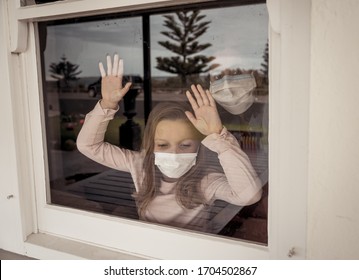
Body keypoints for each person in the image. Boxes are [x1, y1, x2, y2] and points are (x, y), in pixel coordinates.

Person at [77, 54, 262, 233]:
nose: (174, 154)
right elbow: (89, 146)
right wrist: (106, 105)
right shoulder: (141, 166)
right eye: (163, 145)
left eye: (185, 145)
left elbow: (248, 195)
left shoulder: (205, 182)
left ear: (199, 146)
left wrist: (218, 136)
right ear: (151, 145)